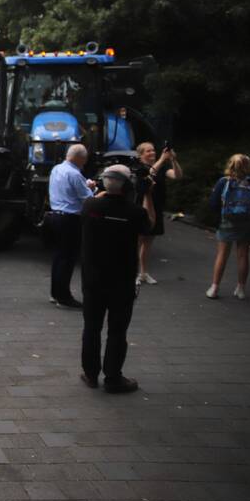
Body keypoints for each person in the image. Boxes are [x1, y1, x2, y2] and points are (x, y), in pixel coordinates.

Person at [79, 165, 155, 393]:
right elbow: (150, 226)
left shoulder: (90, 205)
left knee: (91, 327)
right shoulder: (135, 212)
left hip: (92, 279)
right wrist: (148, 194)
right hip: (121, 280)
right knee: (117, 329)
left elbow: (96, 202)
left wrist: (101, 192)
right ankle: (113, 377)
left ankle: (91, 374)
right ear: (127, 186)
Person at [46, 144, 96, 308]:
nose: (86, 162)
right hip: (70, 219)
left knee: (59, 257)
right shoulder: (75, 174)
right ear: (81, 158)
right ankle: (64, 297)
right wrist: (94, 190)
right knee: (68, 259)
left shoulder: (57, 169)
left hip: (55, 215)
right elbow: (88, 199)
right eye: (85, 158)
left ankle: (55, 293)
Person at [134, 142, 182, 285]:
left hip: (156, 207)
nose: (152, 153)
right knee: (137, 241)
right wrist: (162, 159)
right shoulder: (139, 168)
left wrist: (173, 160)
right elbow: (149, 175)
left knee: (148, 241)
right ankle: (132, 272)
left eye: (153, 150)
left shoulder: (161, 167)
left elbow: (177, 176)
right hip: (142, 207)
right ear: (141, 154)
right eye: (148, 151)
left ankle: (144, 273)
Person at [207, 154, 250, 300]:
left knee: (222, 255)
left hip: (226, 221)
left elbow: (213, 204)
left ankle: (214, 288)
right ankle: (240, 288)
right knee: (243, 255)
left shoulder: (223, 181)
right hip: (246, 222)